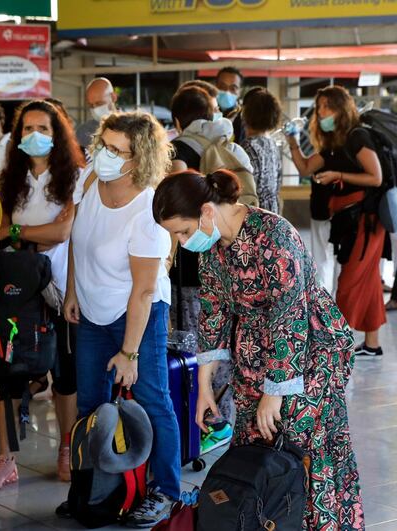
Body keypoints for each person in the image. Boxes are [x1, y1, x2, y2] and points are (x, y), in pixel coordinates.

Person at [152, 170, 365, 530]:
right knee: (258, 448)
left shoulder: (274, 235)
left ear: (206, 211)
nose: (181, 241)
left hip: (308, 354)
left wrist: (275, 392)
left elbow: (291, 317)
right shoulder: (215, 249)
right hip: (256, 356)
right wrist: (204, 387)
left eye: (182, 231)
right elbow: (214, 315)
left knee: (300, 451)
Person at [65, 111, 180, 528]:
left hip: (140, 314)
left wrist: (129, 352)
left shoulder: (149, 209)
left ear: (140, 158)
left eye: (117, 150)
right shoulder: (91, 181)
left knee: (152, 401)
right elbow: (79, 240)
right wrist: (73, 292)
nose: (105, 155)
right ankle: (95, 490)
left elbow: (145, 291)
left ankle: (166, 492)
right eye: (103, 145)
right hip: (93, 310)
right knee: (90, 404)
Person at [0, 99, 85, 489]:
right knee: (9, 374)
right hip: (17, 291)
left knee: (65, 375)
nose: (34, 136)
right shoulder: (8, 179)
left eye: (43, 129)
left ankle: (67, 447)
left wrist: (19, 233)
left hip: (63, 288)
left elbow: (65, 234)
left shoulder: (75, 178)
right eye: (27, 129)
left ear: (57, 134)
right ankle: (6, 456)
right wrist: (30, 234)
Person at [168, 85, 254, 430]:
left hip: (190, 267)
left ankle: (203, 420)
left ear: (177, 119)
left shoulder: (179, 149)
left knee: (194, 338)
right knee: (227, 336)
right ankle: (228, 417)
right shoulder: (230, 145)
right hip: (230, 253)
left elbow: (172, 207)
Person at [287, 85, 385, 357]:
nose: (322, 113)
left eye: (328, 107)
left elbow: (375, 177)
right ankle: (372, 344)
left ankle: (333, 348)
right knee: (368, 282)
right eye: (319, 109)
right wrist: (293, 141)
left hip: (366, 222)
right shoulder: (335, 144)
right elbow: (306, 167)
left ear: (342, 108)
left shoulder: (358, 137)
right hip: (351, 223)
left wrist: (337, 176)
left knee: (349, 284)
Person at [240, 87, 283, 214]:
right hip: (272, 212)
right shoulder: (272, 144)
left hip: (255, 214)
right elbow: (278, 182)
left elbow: (243, 187)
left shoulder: (247, 146)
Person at [75, 77, 117, 149]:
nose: (95, 109)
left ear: (113, 97)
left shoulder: (132, 128)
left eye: (99, 103)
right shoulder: (83, 132)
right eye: (91, 105)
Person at [215, 66, 245, 142]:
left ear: (239, 92)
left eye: (233, 88)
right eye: (222, 86)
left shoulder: (244, 118)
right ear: (215, 87)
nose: (227, 92)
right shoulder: (205, 113)